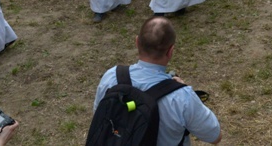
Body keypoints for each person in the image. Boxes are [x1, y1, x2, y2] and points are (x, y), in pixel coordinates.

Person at [93, 17, 222, 144]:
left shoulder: (112, 76)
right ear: (170, 51)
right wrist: (189, 93)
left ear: (137, 42)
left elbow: (99, 115)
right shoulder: (182, 97)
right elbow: (215, 136)